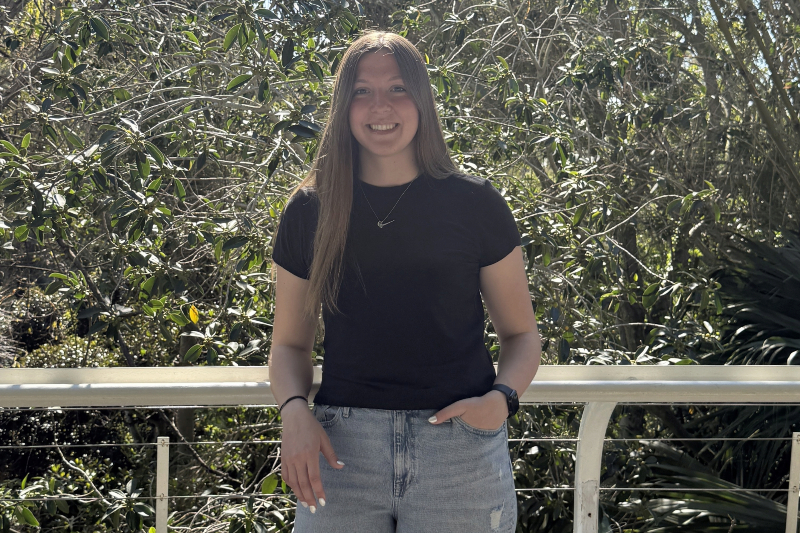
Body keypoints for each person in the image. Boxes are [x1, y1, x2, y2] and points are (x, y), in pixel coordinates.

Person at [269, 30, 541, 533]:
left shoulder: (475, 204)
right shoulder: (310, 211)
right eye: (361, 91)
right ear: (343, 105)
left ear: (422, 100)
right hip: (340, 455)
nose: (380, 107)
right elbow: (288, 345)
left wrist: (499, 401)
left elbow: (522, 335)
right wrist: (293, 412)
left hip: (458, 452)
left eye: (398, 88)